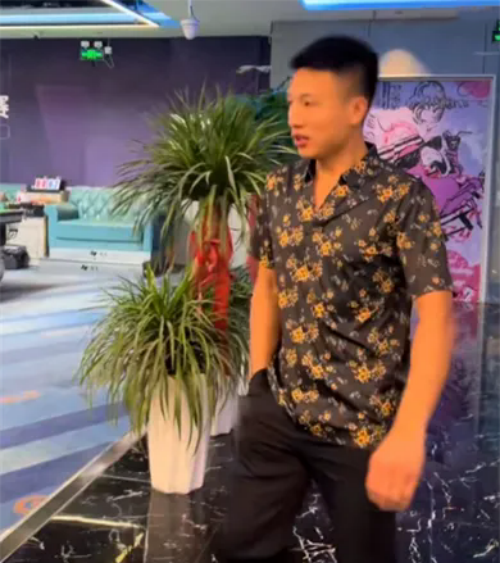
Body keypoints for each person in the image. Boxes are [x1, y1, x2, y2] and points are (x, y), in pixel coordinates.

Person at [218, 36, 455, 563]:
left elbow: (437, 319)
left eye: (311, 103)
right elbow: (267, 285)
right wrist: (258, 381)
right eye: (292, 103)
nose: (295, 117)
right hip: (279, 408)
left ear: (355, 109)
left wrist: (408, 433)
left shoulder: (402, 200)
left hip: (360, 426)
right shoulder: (279, 188)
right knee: (240, 547)